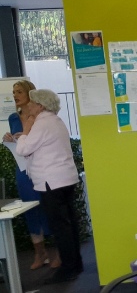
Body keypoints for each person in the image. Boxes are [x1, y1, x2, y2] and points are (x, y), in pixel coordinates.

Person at [16, 89, 84, 284]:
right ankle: (75, 264)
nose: (28, 106)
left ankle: (68, 269)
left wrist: (26, 131)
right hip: (65, 179)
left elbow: (23, 149)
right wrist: (27, 134)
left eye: (32, 103)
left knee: (60, 227)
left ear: (40, 105)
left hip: (51, 182)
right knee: (69, 225)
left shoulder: (41, 122)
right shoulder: (55, 120)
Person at [2, 80, 60, 270]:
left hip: (43, 167)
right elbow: (19, 143)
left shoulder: (41, 116)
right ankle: (39, 253)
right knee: (30, 210)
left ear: (30, 93)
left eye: (19, 91)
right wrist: (9, 139)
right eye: (14, 92)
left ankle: (57, 252)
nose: (15, 95)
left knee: (49, 207)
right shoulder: (13, 117)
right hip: (23, 169)